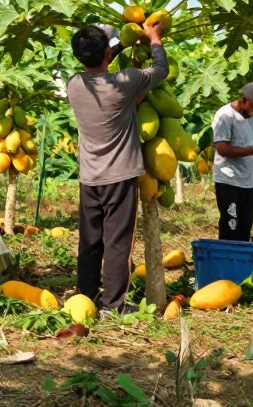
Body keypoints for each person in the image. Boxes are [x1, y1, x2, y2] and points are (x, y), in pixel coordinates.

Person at [66, 20, 167, 313]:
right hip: (120, 177)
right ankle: (113, 304)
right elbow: (161, 70)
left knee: (90, 241)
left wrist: (118, 45)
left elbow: (101, 61)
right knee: (117, 243)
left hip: (90, 177)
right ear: (107, 55)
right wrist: (154, 38)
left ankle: (85, 297)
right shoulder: (127, 81)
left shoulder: (74, 84)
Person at [211, 83, 253, 241]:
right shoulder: (225, 116)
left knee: (244, 229)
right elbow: (222, 149)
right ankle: (226, 262)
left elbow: (248, 143)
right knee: (230, 227)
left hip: (247, 183)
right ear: (243, 100)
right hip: (228, 181)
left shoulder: (252, 117)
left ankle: (240, 264)